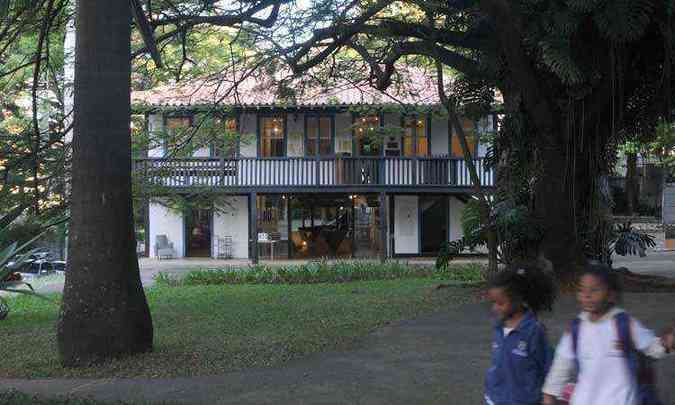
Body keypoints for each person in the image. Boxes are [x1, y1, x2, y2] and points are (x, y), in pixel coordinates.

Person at [542, 263, 675, 405]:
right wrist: (549, 396)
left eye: (594, 290)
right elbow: (560, 368)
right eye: (582, 290)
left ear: (611, 294)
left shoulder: (624, 324)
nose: (587, 295)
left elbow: (654, 348)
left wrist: (667, 342)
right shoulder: (575, 329)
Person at [484, 264, 557, 405]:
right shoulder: (499, 327)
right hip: (496, 399)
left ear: (518, 299)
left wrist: (549, 398)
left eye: (500, 303)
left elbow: (549, 367)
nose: (495, 308)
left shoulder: (534, 331)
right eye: (493, 302)